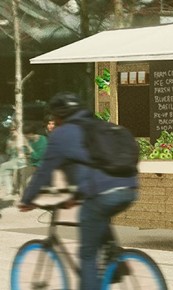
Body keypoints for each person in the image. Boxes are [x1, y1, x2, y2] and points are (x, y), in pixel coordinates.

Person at [18, 92, 138, 290]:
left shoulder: (61, 135)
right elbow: (90, 167)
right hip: (129, 186)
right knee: (96, 217)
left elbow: (44, 173)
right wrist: (76, 196)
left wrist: (27, 200)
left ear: (58, 116)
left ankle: (103, 273)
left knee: (87, 253)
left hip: (102, 192)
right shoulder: (97, 125)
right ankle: (115, 260)